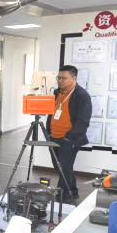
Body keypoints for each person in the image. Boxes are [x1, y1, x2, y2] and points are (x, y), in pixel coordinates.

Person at [46, 65, 92, 204]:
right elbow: (51, 114)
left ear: (74, 78)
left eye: (63, 78)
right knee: (58, 166)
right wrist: (48, 133)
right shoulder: (56, 93)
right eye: (58, 78)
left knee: (64, 167)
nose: (60, 81)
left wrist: (68, 138)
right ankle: (73, 190)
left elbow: (83, 121)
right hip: (53, 136)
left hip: (69, 139)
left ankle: (62, 196)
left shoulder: (82, 96)